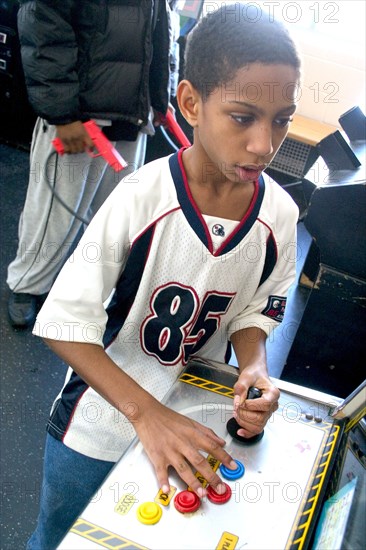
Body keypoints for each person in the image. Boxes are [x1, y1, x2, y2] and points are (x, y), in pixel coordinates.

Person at [28, 4, 301, 548]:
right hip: (99, 427)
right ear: (192, 103)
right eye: (243, 117)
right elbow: (62, 322)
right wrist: (145, 414)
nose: (265, 145)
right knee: (61, 539)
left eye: (282, 120)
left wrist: (254, 366)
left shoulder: (282, 215)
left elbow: (258, 307)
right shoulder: (138, 199)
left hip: (195, 423)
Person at [7, 0, 179, 328]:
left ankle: (83, 291)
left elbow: (164, 24)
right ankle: (28, 285)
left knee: (114, 215)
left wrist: (161, 94)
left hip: (132, 108)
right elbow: (44, 22)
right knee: (53, 216)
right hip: (80, 111)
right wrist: (62, 114)